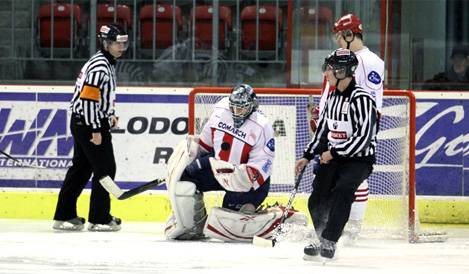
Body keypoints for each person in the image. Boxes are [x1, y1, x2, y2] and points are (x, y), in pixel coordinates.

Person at [164, 84, 307, 241]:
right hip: (219, 169)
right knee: (184, 179)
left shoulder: (262, 126)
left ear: (252, 107)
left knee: (227, 225)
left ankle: (278, 215)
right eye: (233, 107)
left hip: (245, 181)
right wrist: (188, 162)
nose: (236, 112)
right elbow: (205, 145)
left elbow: (260, 168)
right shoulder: (220, 111)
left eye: (241, 108)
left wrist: (234, 174)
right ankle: (193, 225)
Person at [308, 13, 384, 244]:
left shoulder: (371, 61)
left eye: (340, 36)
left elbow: (370, 102)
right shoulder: (340, 57)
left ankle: (352, 227)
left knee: (351, 177)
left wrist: (359, 132)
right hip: (333, 124)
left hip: (353, 129)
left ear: (351, 34)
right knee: (326, 179)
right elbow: (332, 91)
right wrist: (321, 114)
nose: (338, 40)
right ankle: (329, 227)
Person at [297, 49, 378, 259]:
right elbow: (323, 130)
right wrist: (307, 155)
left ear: (343, 71)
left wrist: (333, 153)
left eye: (330, 70)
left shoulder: (362, 100)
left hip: (359, 160)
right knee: (316, 197)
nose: (326, 74)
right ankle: (320, 234)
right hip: (334, 156)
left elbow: (364, 138)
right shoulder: (332, 97)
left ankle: (329, 240)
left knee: (343, 190)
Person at [52, 24, 128, 232]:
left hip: (84, 121)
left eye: (124, 42)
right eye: (118, 43)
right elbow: (87, 100)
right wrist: (96, 129)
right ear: (106, 43)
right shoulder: (99, 66)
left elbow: (100, 97)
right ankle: (99, 218)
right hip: (88, 123)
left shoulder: (106, 62)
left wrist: (109, 115)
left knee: (81, 169)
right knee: (105, 169)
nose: (122, 47)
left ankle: (64, 215)